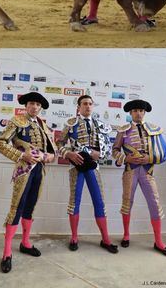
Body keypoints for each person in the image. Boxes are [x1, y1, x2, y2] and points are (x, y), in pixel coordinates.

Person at [0, 92, 56, 273]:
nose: (35, 107)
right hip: (23, 170)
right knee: (17, 208)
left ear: (40, 107)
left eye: (38, 104)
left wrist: (47, 156)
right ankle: (7, 252)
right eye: (32, 103)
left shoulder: (43, 126)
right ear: (26, 105)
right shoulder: (17, 121)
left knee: (30, 207)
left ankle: (25, 242)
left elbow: (53, 153)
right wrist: (22, 155)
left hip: (39, 171)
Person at [112, 99, 166, 257]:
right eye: (135, 111)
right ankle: (126, 235)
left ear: (144, 112)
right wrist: (126, 159)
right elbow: (115, 150)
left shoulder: (154, 130)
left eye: (140, 110)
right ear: (130, 113)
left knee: (154, 203)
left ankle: (158, 241)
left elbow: (164, 152)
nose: (138, 113)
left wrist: (150, 159)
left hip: (147, 171)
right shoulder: (123, 130)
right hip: (130, 171)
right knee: (127, 202)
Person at [57, 95, 117, 253]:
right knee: (74, 202)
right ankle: (74, 237)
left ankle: (106, 239)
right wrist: (68, 154)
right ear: (78, 106)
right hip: (77, 166)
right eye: (84, 104)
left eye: (90, 104)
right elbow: (59, 143)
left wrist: (100, 154)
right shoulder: (71, 124)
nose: (88, 106)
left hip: (93, 166)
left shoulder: (100, 124)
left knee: (99, 202)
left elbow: (108, 148)